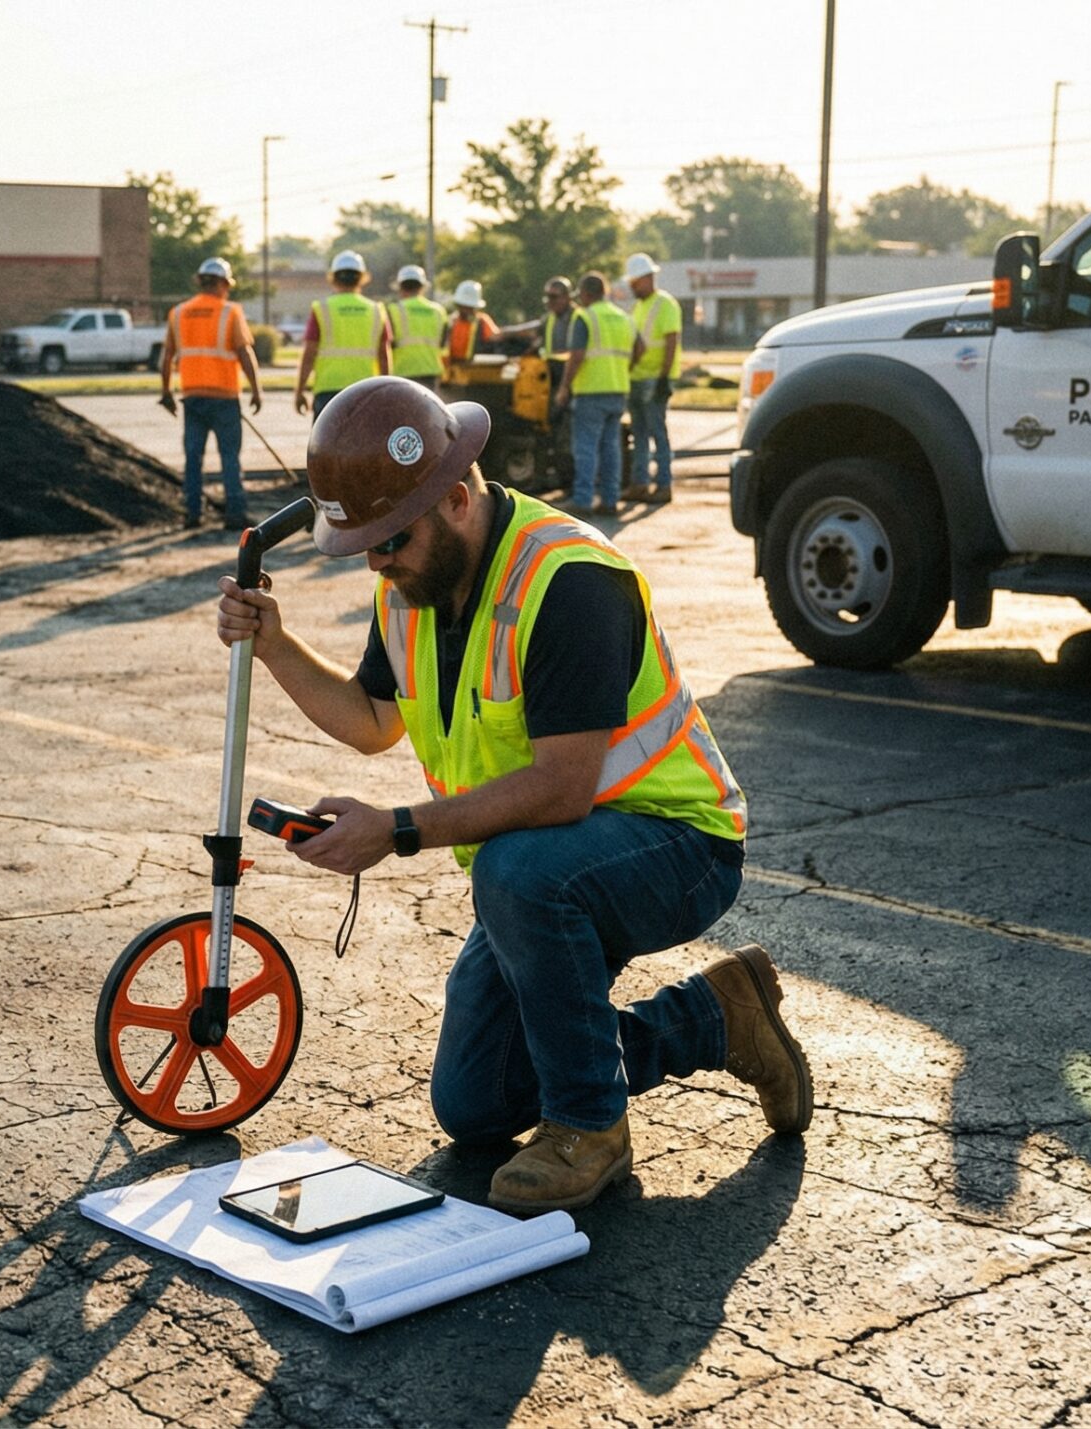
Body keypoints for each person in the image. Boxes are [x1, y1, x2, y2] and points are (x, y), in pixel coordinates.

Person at [213, 377, 813, 1215]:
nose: (379, 564)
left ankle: (589, 1126)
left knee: (518, 872)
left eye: (392, 541)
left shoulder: (569, 578)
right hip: (545, 862)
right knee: (478, 1103)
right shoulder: (411, 590)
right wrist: (275, 644)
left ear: (456, 496)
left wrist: (396, 828)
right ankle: (717, 1018)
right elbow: (372, 719)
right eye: (368, 547)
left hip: (678, 847)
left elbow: (563, 789)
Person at [159, 256, 264, 530]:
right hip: (225, 397)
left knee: (193, 457)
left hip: (192, 396)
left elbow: (168, 356)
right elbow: (244, 353)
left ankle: (192, 514)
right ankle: (235, 513)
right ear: (222, 284)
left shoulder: (178, 313)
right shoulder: (230, 312)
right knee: (229, 456)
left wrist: (166, 392)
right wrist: (256, 389)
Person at [549, 272, 634, 515]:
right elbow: (639, 348)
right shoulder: (623, 317)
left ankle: (583, 500)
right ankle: (610, 500)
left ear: (586, 294)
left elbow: (576, 357)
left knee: (586, 448)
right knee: (611, 449)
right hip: (618, 391)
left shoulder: (585, 317)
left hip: (590, 393)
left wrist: (564, 387)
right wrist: (621, 370)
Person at [294, 251, 393, 418]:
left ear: (333, 278)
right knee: (364, 443)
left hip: (328, 390)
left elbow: (309, 354)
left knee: (326, 442)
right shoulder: (376, 310)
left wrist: (300, 390)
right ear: (361, 278)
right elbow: (383, 355)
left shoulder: (322, 308)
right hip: (366, 389)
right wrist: (387, 392)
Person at [623, 253, 683, 504]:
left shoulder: (665, 304)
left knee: (657, 433)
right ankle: (640, 484)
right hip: (637, 378)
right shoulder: (638, 307)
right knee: (639, 434)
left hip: (655, 379)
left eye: (635, 283)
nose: (632, 287)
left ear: (647, 278)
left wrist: (663, 377)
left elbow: (671, 341)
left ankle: (664, 485)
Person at [386, 265, 448, 392]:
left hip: (402, 373)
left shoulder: (393, 310)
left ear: (401, 287)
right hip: (430, 373)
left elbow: (387, 344)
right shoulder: (438, 311)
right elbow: (443, 344)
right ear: (422, 287)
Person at [445, 280, 500, 364]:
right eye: (464, 306)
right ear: (458, 305)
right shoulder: (450, 322)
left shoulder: (482, 321)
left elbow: (495, 337)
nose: (467, 310)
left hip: (477, 369)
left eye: (470, 307)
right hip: (453, 369)